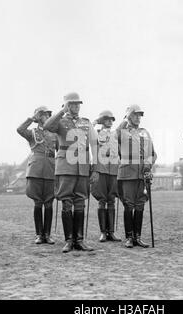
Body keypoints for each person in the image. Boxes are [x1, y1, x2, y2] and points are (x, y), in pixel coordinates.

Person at [44, 92, 98, 253]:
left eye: (77, 104)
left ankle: (79, 240)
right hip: (65, 166)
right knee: (66, 201)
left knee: (80, 201)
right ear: (66, 105)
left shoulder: (86, 123)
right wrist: (61, 111)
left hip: (82, 167)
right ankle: (69, 240)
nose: (75, 107)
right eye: (72, 104)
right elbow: (47, 126)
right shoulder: (59, 121)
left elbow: (95, 144)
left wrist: (95, 168)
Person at [116, 105, 157, 248]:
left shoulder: (145, 133)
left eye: (140, 115)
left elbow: (153, 154)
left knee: (140, 205)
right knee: (129, 204)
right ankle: (129, 237)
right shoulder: (123, 131)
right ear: (129, 116)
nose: (138, 118)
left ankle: (137, 237)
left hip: (142, 174)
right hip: (127, 174)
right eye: (135, 115)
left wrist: (148, 164)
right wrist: (125, 118)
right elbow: (116, 134)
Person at [17, 106, 58, 244]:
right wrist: (31, 119)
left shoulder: (54, 133)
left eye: (47, 114)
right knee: (38, 202)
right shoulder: (33, 132)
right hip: (36, 169)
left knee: (49, 202)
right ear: (38, 117)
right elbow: (20, 130)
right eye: (43, 114)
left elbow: (62, 148)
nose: (45, 116)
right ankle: (39, 234)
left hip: (51, 169)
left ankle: (47, 234)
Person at [91, 110, 121, 242]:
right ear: (102, 120)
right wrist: (95, 122)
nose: (110, 121)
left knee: (111, 199)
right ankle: (103, 232)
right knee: (102, 200)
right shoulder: (96, 133)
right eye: (107, 119)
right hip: (101, 169)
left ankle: (111, 232)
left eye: (111, 119)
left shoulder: (116, 135)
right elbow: (86, 133)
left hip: (114, 170)